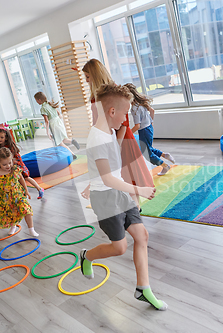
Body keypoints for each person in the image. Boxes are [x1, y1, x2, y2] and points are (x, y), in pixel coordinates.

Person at [81, 83, 167, 311]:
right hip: (107, 199)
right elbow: (108, 179)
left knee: (142, 236)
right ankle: (87, 256)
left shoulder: (108, 130)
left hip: (121, 194)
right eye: (125, 112)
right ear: (111, 112)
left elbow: (110, 165)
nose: (126, 118)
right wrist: (140, 190)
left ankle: (143, 289)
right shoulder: (97, 138)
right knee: (119, 248)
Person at [82, 59, 154, 205]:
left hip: (120, 141)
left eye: (88, 77)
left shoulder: (113, 92)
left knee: (128, 178)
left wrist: (116, 146)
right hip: (108, 140)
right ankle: (130, 214)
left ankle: (135, 214)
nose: (86, 81)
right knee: (115, 179)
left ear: (95, 75)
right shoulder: (95, 96)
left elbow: (123, 125)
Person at [0, 147, 39, 237]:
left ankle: (31, 229)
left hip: (18, 195)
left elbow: (21, 178)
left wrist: (26, 190)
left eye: (10, 162)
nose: (8, 166)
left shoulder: (15, 169)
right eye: (4, 164)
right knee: (11, 214)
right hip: (5, 199)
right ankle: (13, 226)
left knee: (26, 210)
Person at [124, 83, 175, 176]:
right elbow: (152, 110)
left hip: (143, 131)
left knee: (147, 154)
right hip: (149, 128)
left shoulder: (134, 109)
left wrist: (128, 133)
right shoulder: (141, 102)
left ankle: (165, 166)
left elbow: (137, 126)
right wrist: (151, 123)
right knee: (148, 148)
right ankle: (164, 155)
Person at [0, 128, 44, 199]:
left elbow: (16, 158)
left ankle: (39, 189)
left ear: (6, 138)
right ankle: (20, 194)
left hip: (16, 164)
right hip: (8, 165)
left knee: (25, 177)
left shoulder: (10, 146)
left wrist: (13, 164)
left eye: (2, 137)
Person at [33, 91, 80, 157]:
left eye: (36, 100)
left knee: (59, 143)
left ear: (39, 100)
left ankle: (72, 154)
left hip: (54, 124)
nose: (36, 102)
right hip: (59, 122)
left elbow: (47, 121)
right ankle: (72, 141)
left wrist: (48, 133)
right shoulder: (50, 104)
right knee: (62, 139)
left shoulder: (43, 108)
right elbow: (58, 113)